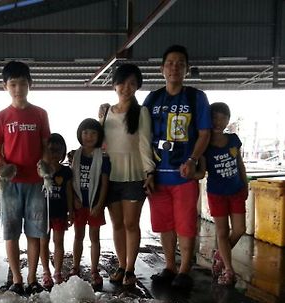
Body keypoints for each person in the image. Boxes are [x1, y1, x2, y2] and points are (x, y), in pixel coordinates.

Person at [143, 45, 211, 290]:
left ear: (186, 69)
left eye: (180, 63)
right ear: (162, 69)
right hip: (158, 176)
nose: (174, 67)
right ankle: (170, 266)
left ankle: (184, 270)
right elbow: (142, 136)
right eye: (170, 63)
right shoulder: (152, 99)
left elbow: (204, 133)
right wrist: (147, 171)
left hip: (184, 175)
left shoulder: (196, 97)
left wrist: (193, 160)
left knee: (185, 224)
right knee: (164, 225)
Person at [0, 60, 51, 296]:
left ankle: (32, 278)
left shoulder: (40, 114)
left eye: (22, 84)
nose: (18, 89)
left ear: (30, 85)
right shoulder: (0, 117)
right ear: (5, 86)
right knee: (11, 232)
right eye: (13, 84)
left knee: (35, 232)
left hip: (36, 184)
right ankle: (16, 279)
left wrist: (44, 166)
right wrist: (1, 166)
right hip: (10, 185)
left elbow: (45, 147)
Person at [98, 63, 155, 287]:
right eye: (122, 82)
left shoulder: (141, 112)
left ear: (137, 86)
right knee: (117, 224)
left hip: (134, 176)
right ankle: (121, 265)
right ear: (114, 85)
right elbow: (99, 143)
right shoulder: (106, 113)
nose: (126, 87)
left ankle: (131, 268)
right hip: (110, 177)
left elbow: (144, 145)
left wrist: (150, 172)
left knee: (131, 223)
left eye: (132, 83)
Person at [203, 102, 248, 286]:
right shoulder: (205, 145)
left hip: (236, 191)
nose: (218, 122)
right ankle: (228, 269)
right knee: (222, 231)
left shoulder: (233, 140)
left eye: (223, 118)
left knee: (239, 229)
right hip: (217, 194)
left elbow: (240, 164)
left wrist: (245, 185)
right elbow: (202, 171)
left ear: (228, 120)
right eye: (214, 117)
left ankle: (220, 255)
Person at [70, 119, 110, 290]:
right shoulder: (74, 156)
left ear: (99, 136)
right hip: (80, 205)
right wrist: (74, 200)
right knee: (78, 236)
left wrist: (100, 205)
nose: (89, 136)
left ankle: (94, 270)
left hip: (95, 205)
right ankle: (75, 267)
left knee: (94, 238)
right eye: (85, 132)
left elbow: (105, 184)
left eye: (93, 133)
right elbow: (70, 182)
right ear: (80, 134)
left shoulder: (103, 158)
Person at [39, 133, 74, 289]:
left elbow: (69, 192)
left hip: (60, 213)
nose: (54, 154)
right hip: (42, 214)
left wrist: (71, 211)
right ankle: (46, 272)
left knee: (58, 242)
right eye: (50, 150)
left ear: (63, 152)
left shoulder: (66, 171)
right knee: (43, 243)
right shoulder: (39, 169)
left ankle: (57, 272)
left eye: (58, 150)